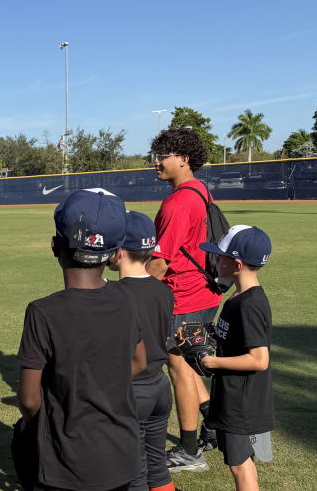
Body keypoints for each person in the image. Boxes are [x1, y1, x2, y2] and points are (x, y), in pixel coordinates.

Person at [16, 189, 146, 491]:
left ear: (54, 246)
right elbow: (139, 361)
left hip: (67, 462)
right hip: (122, 453)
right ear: (115, 254)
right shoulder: (127, 298)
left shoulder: (42, 312)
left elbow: (29, 399)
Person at [146, 129, 222, 471]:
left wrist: (129, 291)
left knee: (178, 369)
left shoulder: (178, 201)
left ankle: (189, 451)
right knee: (189, 364)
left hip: (183, 297)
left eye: (163, 155)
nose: (156, 162)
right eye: (156, 155)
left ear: (184, 159)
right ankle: (216, 426)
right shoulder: (200, 189)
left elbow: (160, 262)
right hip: (204, 292)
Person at [197, 225, 275, 491]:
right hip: (235, 397)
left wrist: (213, 362)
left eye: (221, 256)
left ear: (237, 264)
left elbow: (258, 359)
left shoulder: (250, 305)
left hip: (241, 402)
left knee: (239, 465)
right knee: (243, 463)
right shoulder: (238, 297)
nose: (216, 260)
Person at [108, 211, 176, 491]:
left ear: (120, 251)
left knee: (133, 473)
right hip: (160, 387)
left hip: (132, 390)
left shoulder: (114, 295)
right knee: (157, 467)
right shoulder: (164, 291)